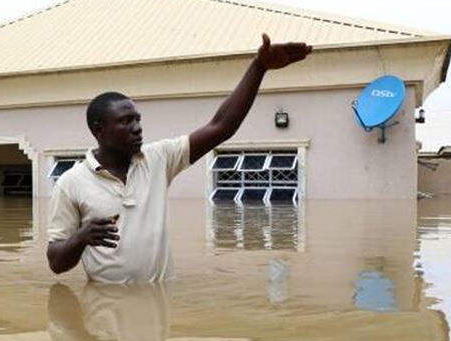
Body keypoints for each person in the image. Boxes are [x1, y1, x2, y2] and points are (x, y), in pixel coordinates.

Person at [47, 34, 312, 283]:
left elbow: (221, 127)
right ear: (98, 129)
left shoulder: (159, 159)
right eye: (126, 121)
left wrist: (259, 68)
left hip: (155, 312)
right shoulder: (71, 183)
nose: (137, 127)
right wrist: (81, 237)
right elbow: (56, 263)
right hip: (103, 313)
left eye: (138, 119)